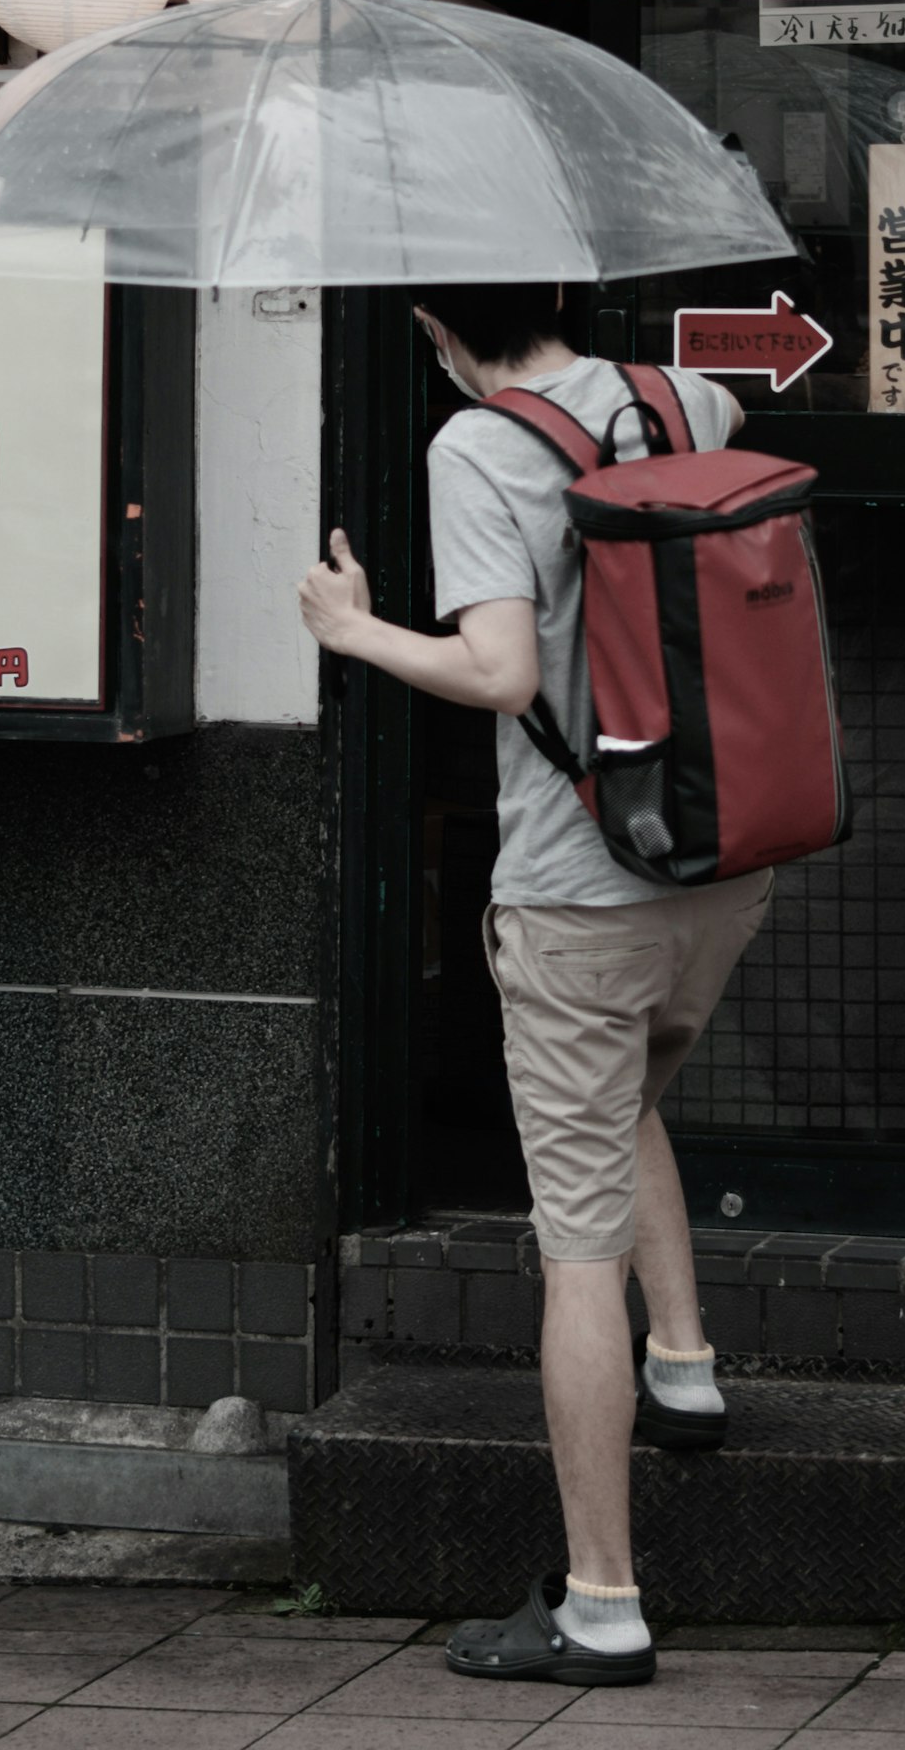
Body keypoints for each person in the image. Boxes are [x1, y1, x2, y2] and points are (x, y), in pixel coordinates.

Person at [296, 280, 766, 1688]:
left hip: (580, 886)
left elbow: (500, 671)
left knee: (574, 1246)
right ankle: (682, 1363)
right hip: (728, 861)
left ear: (439, 328)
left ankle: (602, 1603)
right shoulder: (699, 401)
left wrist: (352, 628)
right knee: (625, 1098)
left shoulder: (477, 448)